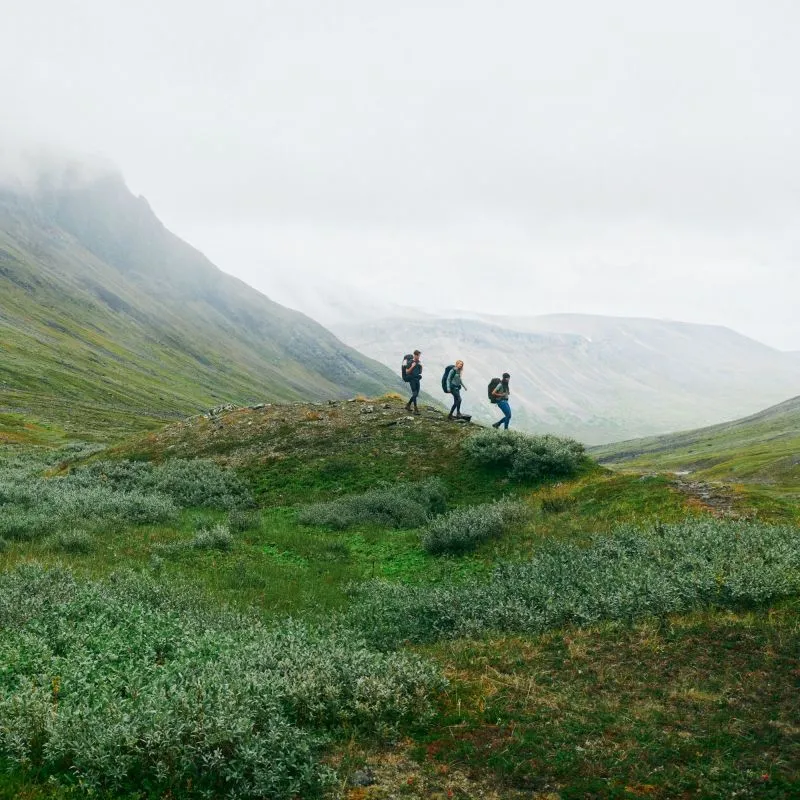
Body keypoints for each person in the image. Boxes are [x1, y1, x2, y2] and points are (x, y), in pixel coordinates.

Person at [404, 349, 423, 414]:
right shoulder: (410, 362)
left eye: (419, 356)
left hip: (417, 379)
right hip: (412, 379)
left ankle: (408, 405)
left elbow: (420, 372)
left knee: (416, 394)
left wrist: (421, 366)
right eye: (418, 355)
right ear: (414, 355)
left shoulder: (419, 362)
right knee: (414, 393)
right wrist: (412, 366)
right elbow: (407, 372)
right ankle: (415, 409)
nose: (419, 357)